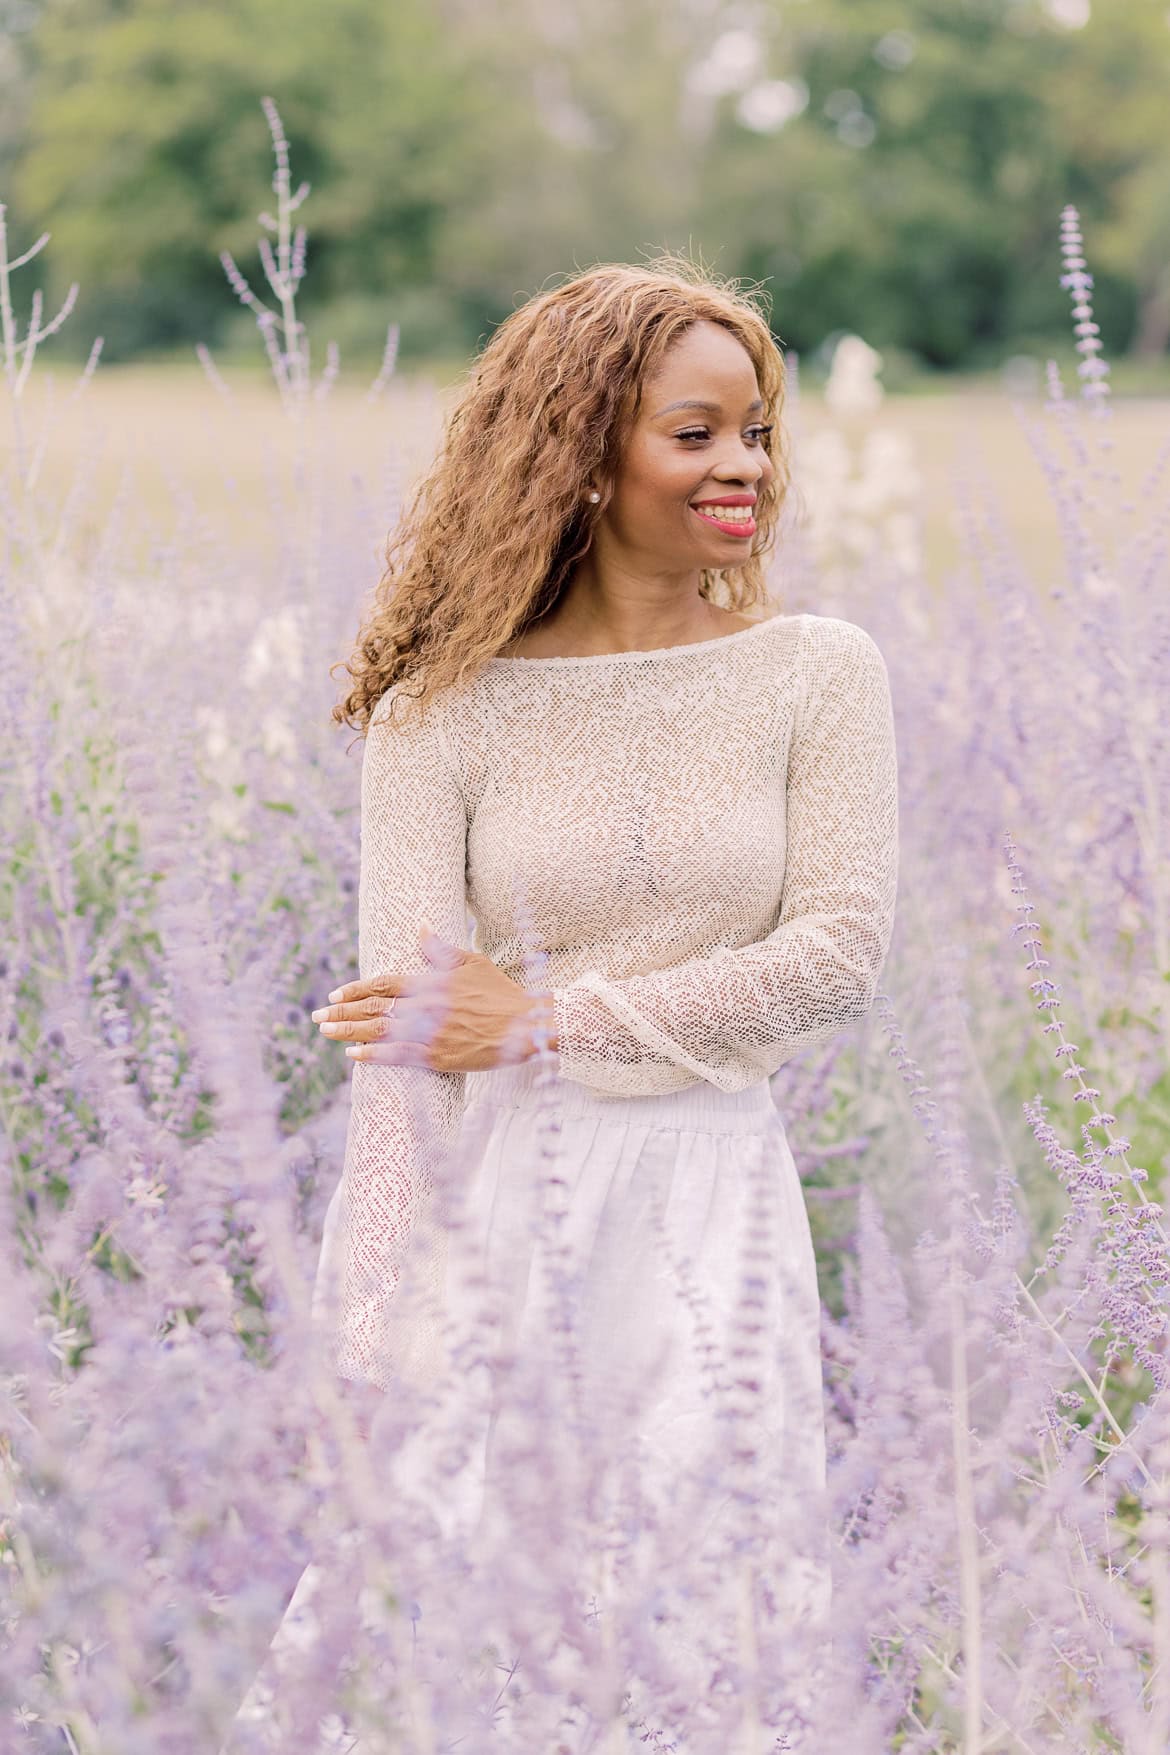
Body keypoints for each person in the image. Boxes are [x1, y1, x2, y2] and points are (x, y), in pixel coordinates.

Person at [235, 256, 899, 1753]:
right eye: (695, 432)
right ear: (583, 451)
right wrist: (365, 1335)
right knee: (446, 1628)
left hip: (706, 1211)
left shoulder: (816, 677)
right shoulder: (439, 712)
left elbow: (836, 954)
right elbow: (405, 1051)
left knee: (704, 1617)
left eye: (758, 432)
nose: (742, 466)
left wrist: (539, 1024)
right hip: (494, 1222)